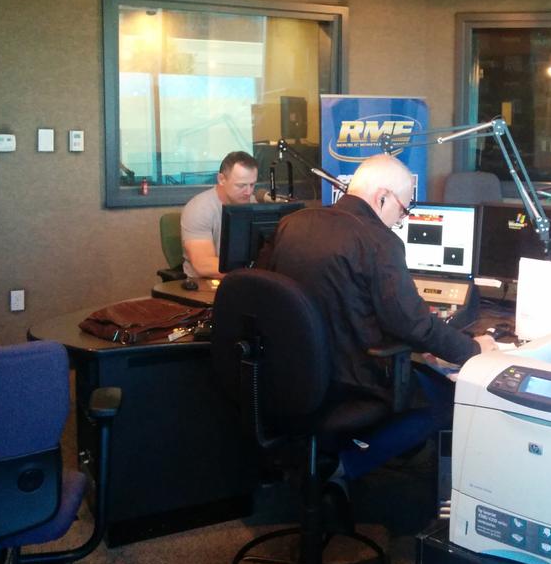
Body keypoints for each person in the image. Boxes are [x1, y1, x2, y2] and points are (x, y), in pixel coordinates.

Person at [266, 153, 497, 482]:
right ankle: (345, 466)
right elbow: (413, 324)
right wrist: (473, 350)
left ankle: (337, 455)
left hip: (294, 375)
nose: (399, 221)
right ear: (382, 197)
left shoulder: (294, 224)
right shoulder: (378, 241)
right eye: (402, 211)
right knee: (447, 396)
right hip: (349, 383)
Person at [181, 151, 259, 279]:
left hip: (245, 278)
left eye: (252, 185)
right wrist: (253, 273)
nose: (248, 192)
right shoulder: (199, 208)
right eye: (241, 185)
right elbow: (203, 265)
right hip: (204, 282)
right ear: (221, 179)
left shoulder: (254, 203)